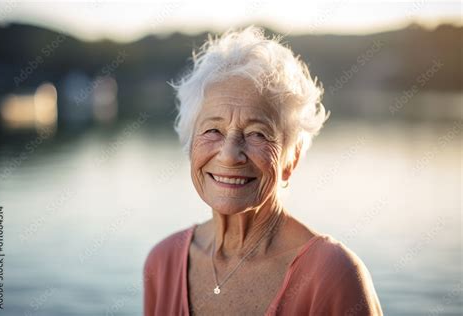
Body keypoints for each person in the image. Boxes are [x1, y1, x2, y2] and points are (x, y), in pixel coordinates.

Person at [144, 26, 383, 315]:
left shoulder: (332, 276)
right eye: (212, 130)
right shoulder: (163, 263)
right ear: (191, 143)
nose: (230, 155)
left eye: (258, 133)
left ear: (291, 158)